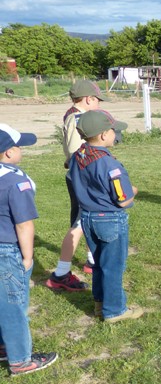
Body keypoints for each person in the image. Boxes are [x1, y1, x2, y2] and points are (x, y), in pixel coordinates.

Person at [68, 110, 143, 323]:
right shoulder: (110, 164)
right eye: (113, 130)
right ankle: (114, 310)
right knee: (114, 266)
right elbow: (123, 199)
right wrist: (133, 191)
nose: (115, 133)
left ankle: (100, 303)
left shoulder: (78, 156)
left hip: (88, 218)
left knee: (100, 263)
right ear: (102, 135)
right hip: (109, 219)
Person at [0, 123, 58, 375]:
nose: (21, 149)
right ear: (9, 153)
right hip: (7, 251)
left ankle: (4, 346)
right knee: (14, 305)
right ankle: (21, 360)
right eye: (19, 145)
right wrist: (27, 256)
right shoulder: (15, 182)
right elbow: (23, 224)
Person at [46, 79, 104, 292]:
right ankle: (60, 274)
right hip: (83, 177)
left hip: (81, 175)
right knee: (80, 223)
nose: (99, 104)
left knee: (86, 219)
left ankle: (92, 260)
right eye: (98, 100)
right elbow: (76, 150)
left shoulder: (74, 114)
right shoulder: (77, 118)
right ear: (89, 99)